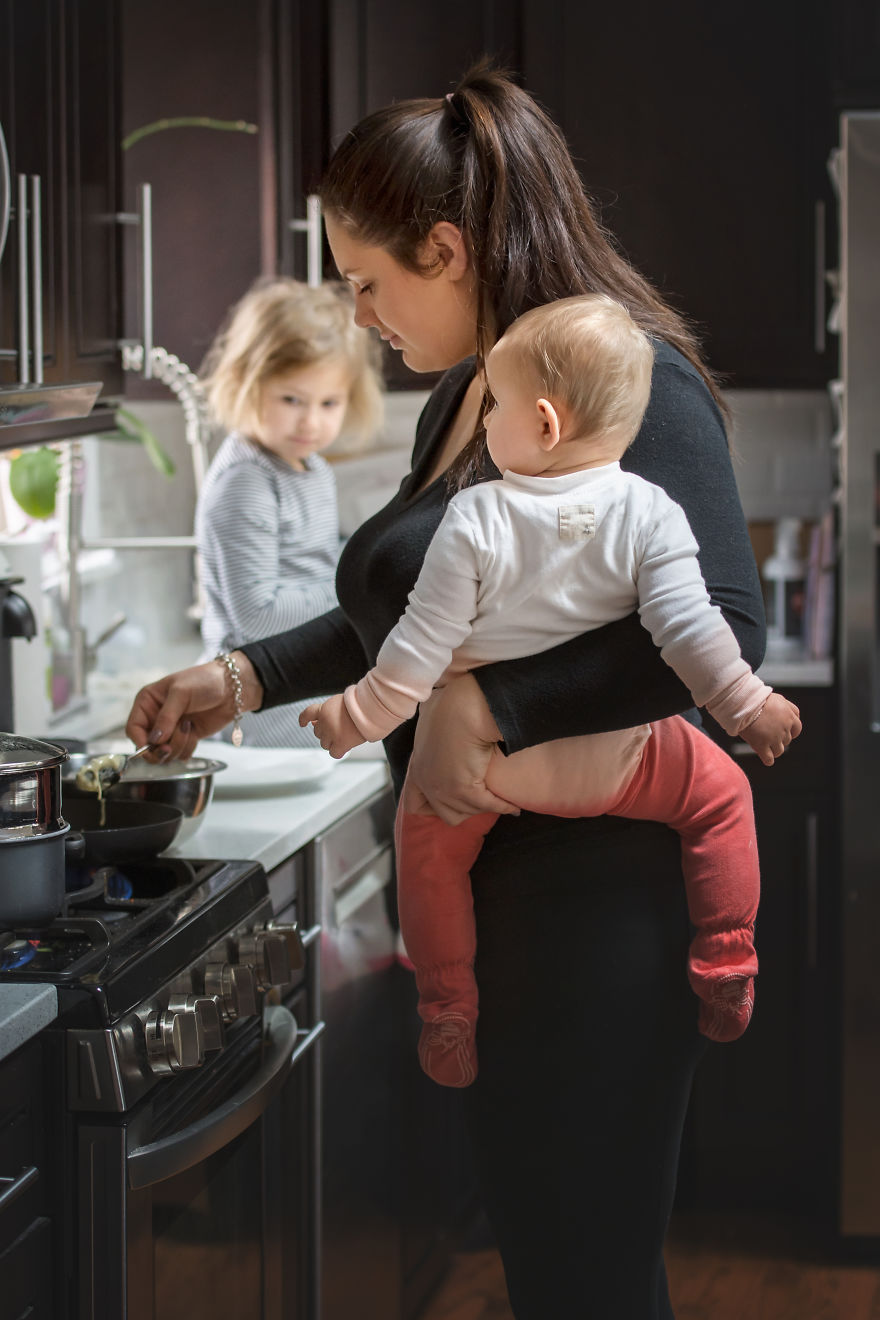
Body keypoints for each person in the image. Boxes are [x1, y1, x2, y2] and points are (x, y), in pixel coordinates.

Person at [126, 63, 770, 1319]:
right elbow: (406, 612)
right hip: (508, 905)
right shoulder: (469, 392)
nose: (358, 313)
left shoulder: (621, 380)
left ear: (450, 246)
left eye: (370, 282)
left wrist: (497, 708)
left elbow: (722, 627)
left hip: (598, 916)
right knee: (550, 1264)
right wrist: (244, 670)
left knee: (588, 1274)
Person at [299, 293, 802, 1087]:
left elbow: (416, 653)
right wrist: (750, 706)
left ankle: (447, 1010)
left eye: (493, 403)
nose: (484, 417)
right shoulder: (652, 512)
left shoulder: (474, 519)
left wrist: (354, 716)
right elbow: (693, 635)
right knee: (724, 796)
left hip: (493, 775)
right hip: (624, 762)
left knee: (425, 847)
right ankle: (728, 955)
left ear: (543, 423)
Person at [195, 276, 383, 746]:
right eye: (291, 400)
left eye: (329, 403)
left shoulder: (311, 468)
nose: (311, 421)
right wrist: (356, 588)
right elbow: (257, 616)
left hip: (298, 692)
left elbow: (310, 562)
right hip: (262, 719)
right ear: (247, 383)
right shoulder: (247, 483)